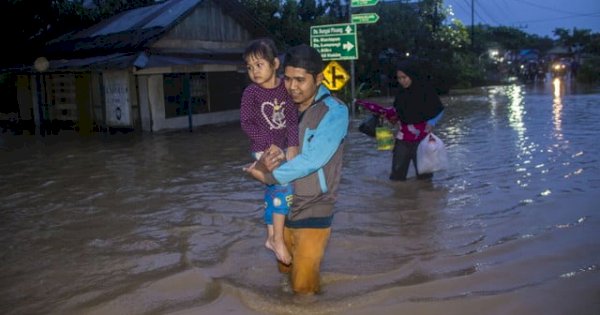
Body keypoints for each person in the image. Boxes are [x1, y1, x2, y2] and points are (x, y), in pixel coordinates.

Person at [244, 44, 349, 294]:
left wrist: (268, 176)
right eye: (288, 79)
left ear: (319, 78)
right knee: (285, 278)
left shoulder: (334, 111)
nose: (292, 87)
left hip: (314, 208)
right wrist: (261, 163)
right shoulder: (282, 104)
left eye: (300, 80)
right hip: (282, 207)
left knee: (303, 289)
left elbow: (312, 160)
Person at [240, 38, 299, 265]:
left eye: (259, 65)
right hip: (261, 149)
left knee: (273, 192)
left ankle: (270, 237)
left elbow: (292, 120)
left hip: (285, 149)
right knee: (283, 184)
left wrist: (292, 145)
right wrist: (267, 145)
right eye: (249, 67)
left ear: (275, 64)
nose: (254, 71)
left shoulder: (286, 88)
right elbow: (247, 124)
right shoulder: (250, 93)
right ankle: (277, 239)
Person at [389, 58, 445, 181]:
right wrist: (390, 117)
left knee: (424, 177)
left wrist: (432, 122)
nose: (402, 81)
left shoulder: (426, 90)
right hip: (403, 137)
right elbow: (397, 112)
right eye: (399, 78)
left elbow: (439, 109)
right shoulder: (400, 93)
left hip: (422, 138)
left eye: (404, 77)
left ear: (412, 75)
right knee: (397, 177)